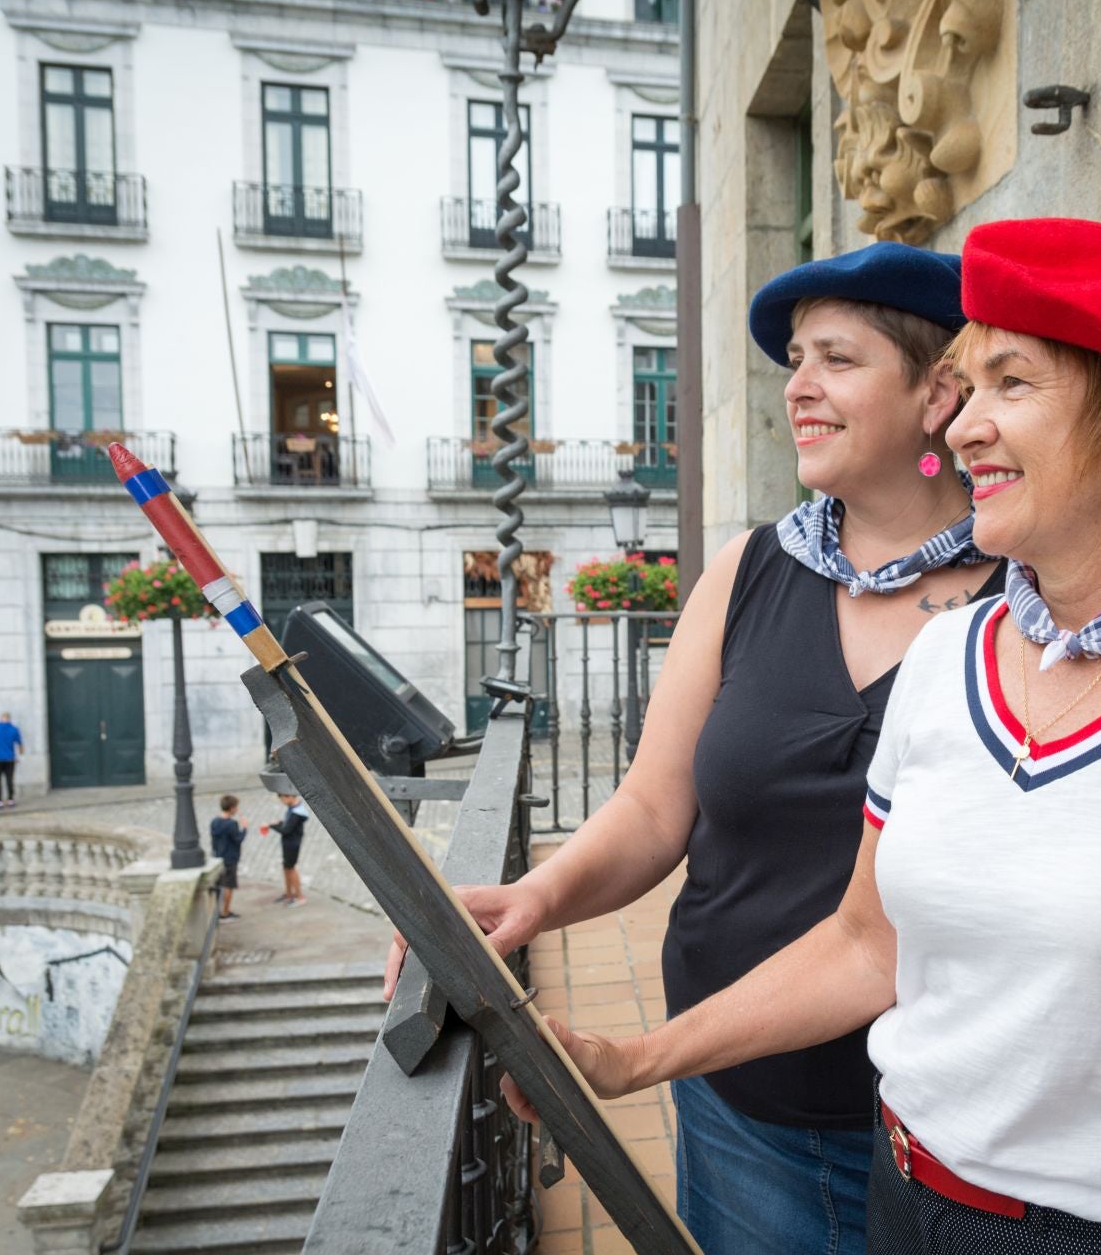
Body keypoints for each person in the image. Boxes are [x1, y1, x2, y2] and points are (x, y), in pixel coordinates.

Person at [510, 221, 1101, 1255]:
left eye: (1012, 382)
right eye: (965, 385)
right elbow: (867, 945)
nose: (963, 428)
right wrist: (639, 1057)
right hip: (903, 1198)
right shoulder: (949, 657)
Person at [385, 241, 1005, 1254]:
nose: (798, 388)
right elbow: (652, 809)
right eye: (794, 360)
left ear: (940, 393)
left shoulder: (1022, 600)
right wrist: (533, 897)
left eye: (837, 360)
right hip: (737, 1107)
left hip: (942, 1125)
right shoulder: (749, 571)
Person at [261, 793, 309, 906]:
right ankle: (288, 894)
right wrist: (280, 823)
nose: (282, 801)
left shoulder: (296, 813)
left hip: (292, 844)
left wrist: (271, 825)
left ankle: (299, 896)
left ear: (290, 797)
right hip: (289, 843)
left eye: (282, 799)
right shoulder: (293, 808)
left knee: (291, 868)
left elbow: (286, 830)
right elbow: (288, 826)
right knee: (286, 867)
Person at [210, 794, 245, 921]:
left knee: (218, 885)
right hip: (230, 858)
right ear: (231, 808)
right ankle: (225, 912)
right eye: (236, 807)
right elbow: (239, 839)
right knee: (229, 885)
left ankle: (216, 911)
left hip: (217, 857)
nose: (237, 810)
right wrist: (244, 827)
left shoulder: (215, 821)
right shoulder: (232, 824)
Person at [0, 711, 24, 810]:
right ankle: (11, 800)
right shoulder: (14, 729)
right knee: (9, 780)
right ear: (9, 719)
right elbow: (20, 743)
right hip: (10, 758)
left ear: (1, 718)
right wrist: (20, 754)